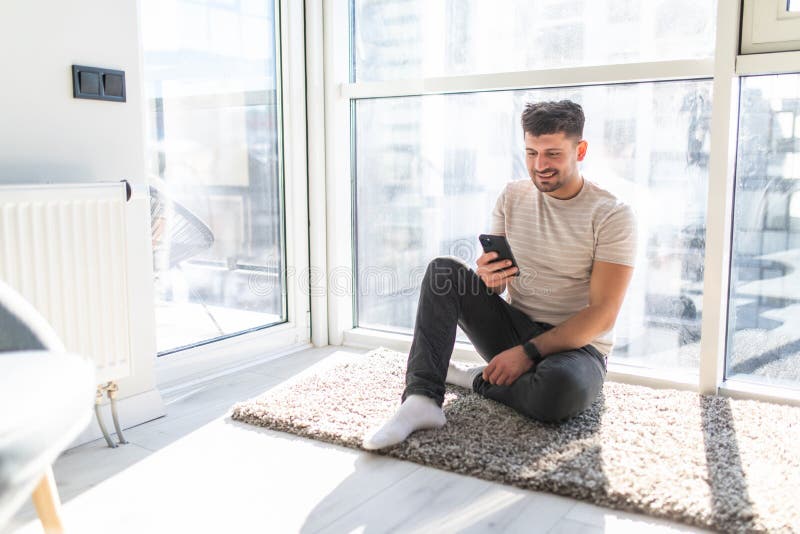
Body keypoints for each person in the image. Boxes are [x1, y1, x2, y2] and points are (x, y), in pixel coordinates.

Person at [362, 100, 637, 450]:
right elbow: (499, 285)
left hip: (578, 347)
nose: (540, 165)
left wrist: (527, 353)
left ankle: (476, 379)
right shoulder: (512, 196)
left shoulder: (613, 214)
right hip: (514, 327)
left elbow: (602, 315)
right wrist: (491, 278)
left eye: (553, 154)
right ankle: (422, 399)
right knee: (443, 272)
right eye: (531, 152)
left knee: (556, 394)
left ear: (580, 150)